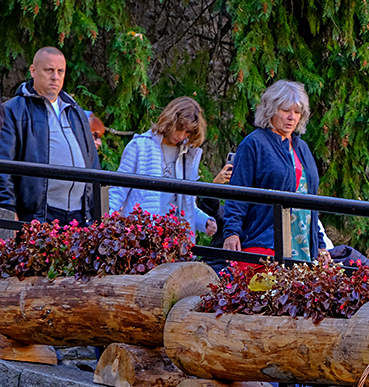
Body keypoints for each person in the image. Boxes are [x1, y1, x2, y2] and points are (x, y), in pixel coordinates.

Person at [223, 80, 325, 262]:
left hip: (304, 248)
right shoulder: (254, 143)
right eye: (286, 110)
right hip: (265, 243)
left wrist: (320, 244)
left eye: (297, 112)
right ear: (270, 110)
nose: (292, 117)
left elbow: (310, 201)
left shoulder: (302, 148)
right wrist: (231, 232)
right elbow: (238, 192)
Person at [0, 46, 100, 225]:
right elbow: (3, 166)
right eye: (49, 70)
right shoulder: (14, 110)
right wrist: (8, 209)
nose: (55, 76)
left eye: (60, 71)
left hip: (79, 216)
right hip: (39, 215)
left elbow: (92, 163)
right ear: (33, 70)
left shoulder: (75, 111)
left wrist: (93, 211)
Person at [108, 97, 231, 236]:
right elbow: (117, 192)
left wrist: (204, 222)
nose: (182, 135)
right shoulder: (139, 146)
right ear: (170, 121)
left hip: (173, 242)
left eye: (188, 132)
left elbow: (186, 206)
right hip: (139, 237)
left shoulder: (188, 156)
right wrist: (108, 226)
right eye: (180, 128)